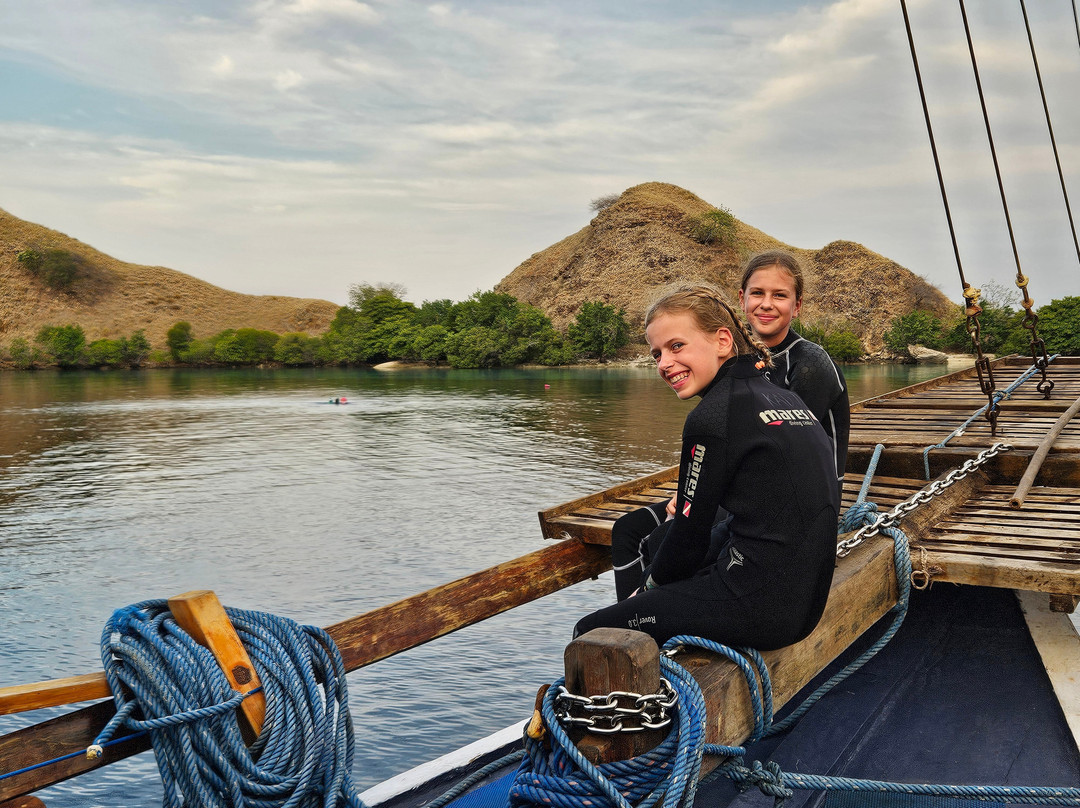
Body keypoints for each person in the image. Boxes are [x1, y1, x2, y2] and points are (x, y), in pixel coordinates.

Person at [575, 283, 839, 650]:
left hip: (760, 609)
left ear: (722, 341)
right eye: (656, 354)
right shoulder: (781, 396)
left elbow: (689, 536)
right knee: (658, 544)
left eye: (676, 346)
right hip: (805, 603)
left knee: (593, 632)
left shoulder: (713, 416)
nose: (665, 363)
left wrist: (643, 594)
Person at [739, 250, 849, 494]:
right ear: (742, 298)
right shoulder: (738, 359)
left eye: (779, 295)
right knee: (636, 526)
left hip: (803, 502)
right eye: (757, 293)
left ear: (796, 305)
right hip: (751, 489)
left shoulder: (810, 362)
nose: (766, 304)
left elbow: (785, 452)